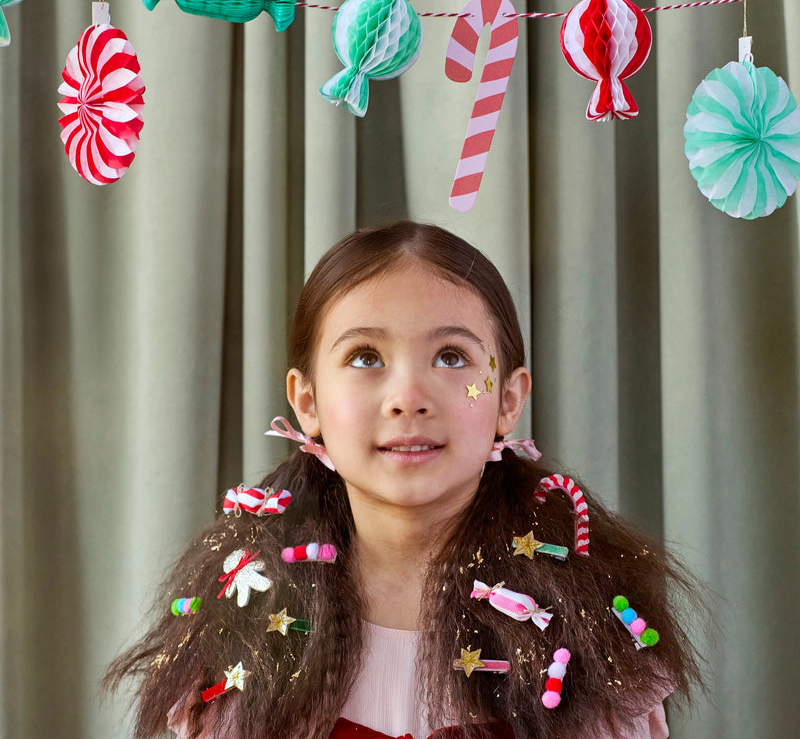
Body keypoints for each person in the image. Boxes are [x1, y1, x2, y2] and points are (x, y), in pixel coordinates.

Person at [105, 221, 701, 739]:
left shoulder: (592, 631)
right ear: (306, 401)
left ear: (508, 399)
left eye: (451, 357)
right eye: (365, 357)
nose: (408, 398)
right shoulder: (239, 625)